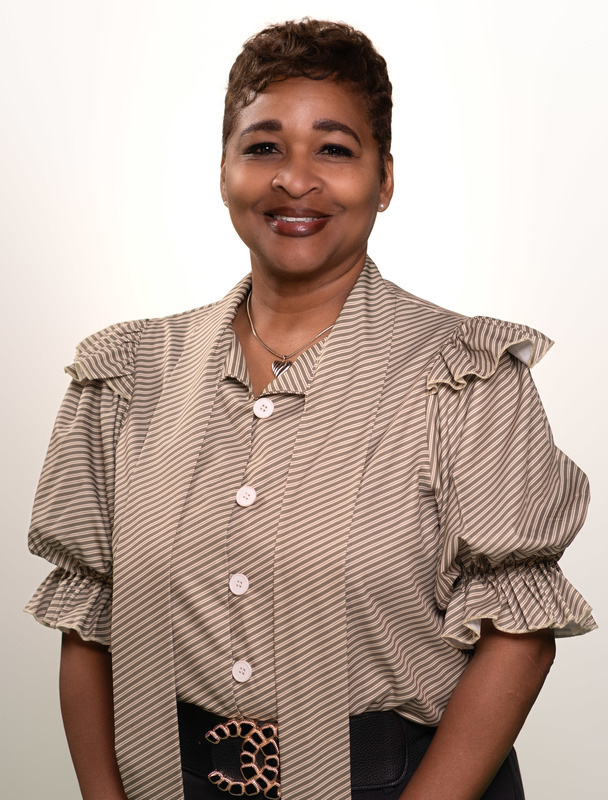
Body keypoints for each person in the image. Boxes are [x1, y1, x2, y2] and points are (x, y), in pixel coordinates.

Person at [26, 18, 596, 800]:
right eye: (263, 146)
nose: (295, 180)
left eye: (334, 148)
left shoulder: (469, 379)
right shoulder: (124, 376)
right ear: (224, 170)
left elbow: (520, 637)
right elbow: (88, 621)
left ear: (385, 179)